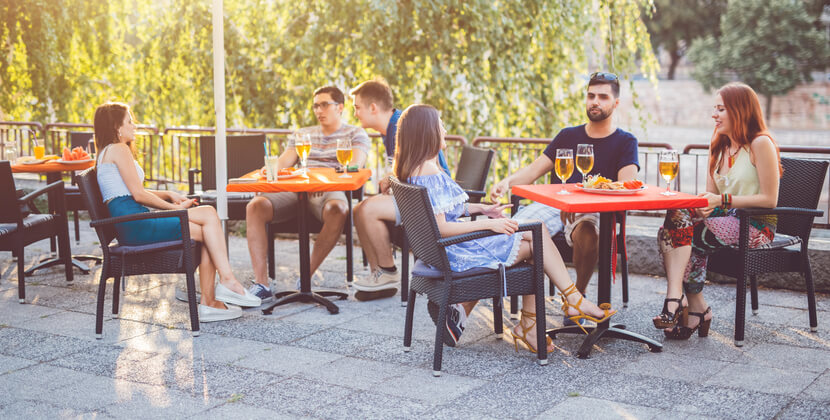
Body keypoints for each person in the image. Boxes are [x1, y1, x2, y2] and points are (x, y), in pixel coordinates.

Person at [394, 104, 617, 351]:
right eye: (440, 125)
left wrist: (482, 210)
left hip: (443, 253)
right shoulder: (429, 170)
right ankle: (566, 305)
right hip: (457, 254)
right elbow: (442, 228)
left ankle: (538, 321)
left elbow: (442, 211)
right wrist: (493, 223)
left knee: (535, 235)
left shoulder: (415, 168)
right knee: (537, 236)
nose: (445, 130)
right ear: (427, 132)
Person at [489, 71, 639, 325]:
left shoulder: (625, 141)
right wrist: (506, 183)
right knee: (515, 229)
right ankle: (497, 298)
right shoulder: (568, 136)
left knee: (588, 232)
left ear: (615, 103)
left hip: (596, 210)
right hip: (553, 206)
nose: (595, 101)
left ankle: (576, 297)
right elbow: (533, 171)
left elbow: (626, 185)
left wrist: (581, 202)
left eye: (603, 97)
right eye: (591, 95)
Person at [93, 102, 260, 322]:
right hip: (135, 225)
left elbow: (130, 190)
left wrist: (169, 194)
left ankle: (212, 301)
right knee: (209, 215)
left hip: (131, 221)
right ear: (117, 127)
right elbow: (139, 195)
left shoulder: (107, 151)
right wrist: (175, 210)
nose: (134, 126)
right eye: (130, 121)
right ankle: (223, 287)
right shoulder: (118, 149)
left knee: (208, 231)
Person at [654, 82, 781, 340]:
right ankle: (692, 306)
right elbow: (709, 202)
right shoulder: (718, 146)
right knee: (672, 225)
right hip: (723, 222)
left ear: (740, 110)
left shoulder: (761, 143)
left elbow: (770, 199)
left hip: (756, 225)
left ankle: (681, 302)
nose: (714, 114)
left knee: (686, 235)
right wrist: (697, 208)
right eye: (715, 108)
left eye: (721, 109)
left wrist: (721, 200)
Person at [245, 86, 370, 301]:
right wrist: (272, 169)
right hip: (297, 191)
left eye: (324, 104)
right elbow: (285, 162)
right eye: (316, 106)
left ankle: (306, 276)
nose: (319, 110)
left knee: (339, 209)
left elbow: (354, 166)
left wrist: (325, 181)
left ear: (340, 107)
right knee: (255, 206)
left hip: (329, 191)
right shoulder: (303, 134)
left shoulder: (355, 133)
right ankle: (262, 283)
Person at [349, 78, 451, 301]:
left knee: (366, 208)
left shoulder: (398, 126)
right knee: (358, 210)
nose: (355, 113)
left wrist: (391, 176)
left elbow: (419, 166)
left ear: (373, 107)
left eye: (357, 107)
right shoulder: (390, 128)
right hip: (412, 191)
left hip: (424, 195)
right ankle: (379, 275)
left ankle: (388, 271)